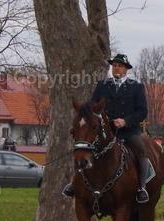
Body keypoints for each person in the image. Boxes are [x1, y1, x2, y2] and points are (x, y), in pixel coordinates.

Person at [63, 53, 153, 203]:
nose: (116, 68)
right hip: (104, 131)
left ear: (126, 69)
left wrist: (125, 121)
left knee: (140, 149)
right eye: (114, 65)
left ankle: (141, 187)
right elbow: (92, 107)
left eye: (120, 66)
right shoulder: (102, 85)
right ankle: (74, 183)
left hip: (127, 131)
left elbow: (142, 111)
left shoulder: (136, 87)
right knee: (83, 147)